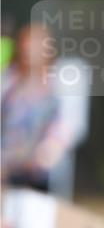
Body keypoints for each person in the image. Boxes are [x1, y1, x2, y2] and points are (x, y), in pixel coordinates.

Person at [1, 23, 72, 192]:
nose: (29, 53)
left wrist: (47, 151)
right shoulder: (8, 81)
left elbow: (64, 126)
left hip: (38, 160)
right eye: (26, 48)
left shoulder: (58, 83)